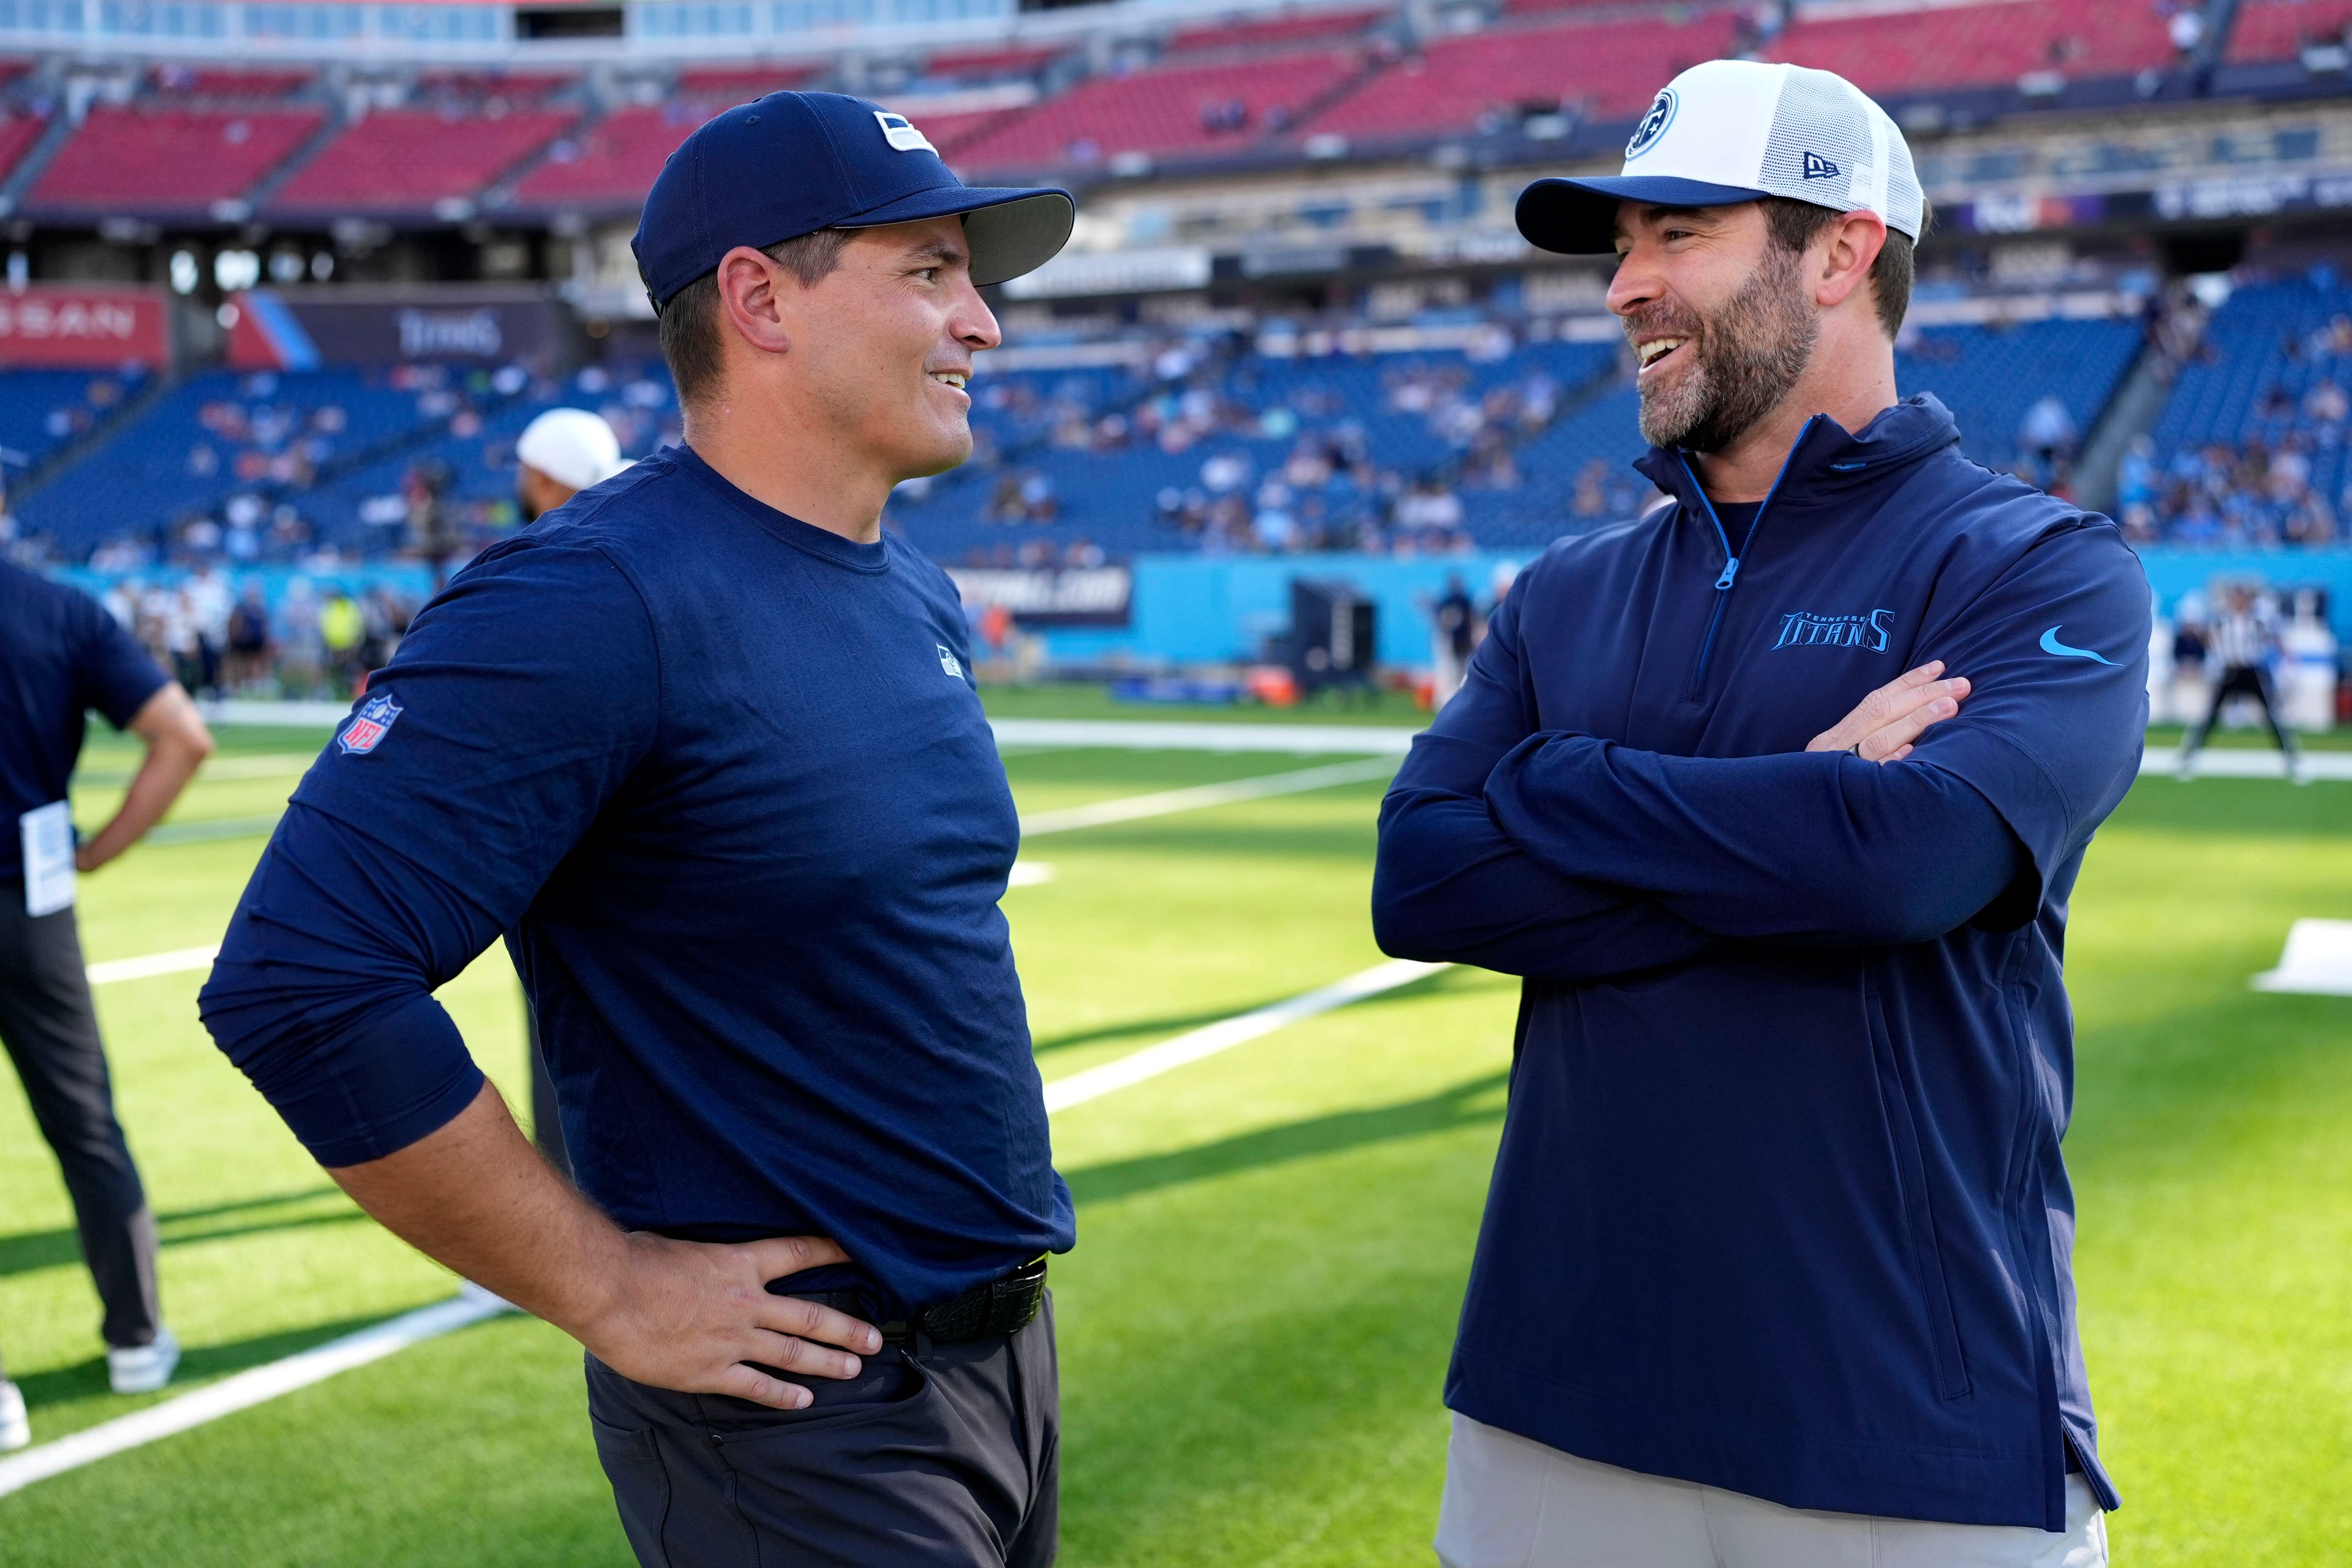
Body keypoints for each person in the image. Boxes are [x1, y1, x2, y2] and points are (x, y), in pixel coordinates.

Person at [199, 91, 1076, 1567]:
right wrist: (605, 1285)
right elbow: (300, 979)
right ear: (757, 299)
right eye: (930, 272)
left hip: (994, 1360)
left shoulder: (907, 587)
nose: (982, 323)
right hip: (798, 1413)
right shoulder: (586, 601)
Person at [1374, 59, 2147, 1566]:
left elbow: (1907, 861)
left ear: (1841, 251)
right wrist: (1798, 804)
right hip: (1552, 1403)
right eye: (1621, 246)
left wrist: (1551, 782)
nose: (1625, 286)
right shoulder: (1567, 589)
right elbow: (1424, 879)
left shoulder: (2035, 567)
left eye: (1677, 234)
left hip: (1904, 1428)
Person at [0, 561, 215, 1452]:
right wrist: (101, 851)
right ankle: (134, 1335)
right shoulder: (58, 608)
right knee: (87, 1124)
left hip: (36, 885)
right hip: (33, 900)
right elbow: (183, 738)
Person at [507, 403, 633, 1181]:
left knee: (567, 1033)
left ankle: (571, 1199)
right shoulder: (648, 529)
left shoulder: (552, 559)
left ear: (546, 475)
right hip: (661, 832)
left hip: (583, 841)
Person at [2177, 581, 2304, 782]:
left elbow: (2273, 638)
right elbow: (2206, 637)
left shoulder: (2257, 621)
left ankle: (2291, 759)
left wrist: (2285, 659)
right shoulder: (2221, 619)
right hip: (2229, 671)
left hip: (2251, 671)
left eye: (2242, 598)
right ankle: (2188, 758)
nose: (2239, 602)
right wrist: (2217, 656)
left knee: (2272, 716)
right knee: (2209, 716)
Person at [1429, 572, 1476, 708]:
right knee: (1450, 669)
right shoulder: (1448, 601)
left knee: (1462, 668)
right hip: (1453, 639)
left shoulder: (1464, 600)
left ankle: (1461, 696)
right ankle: (1450, 697)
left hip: (1463, 638)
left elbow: (1470, 619)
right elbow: (1442, 621)